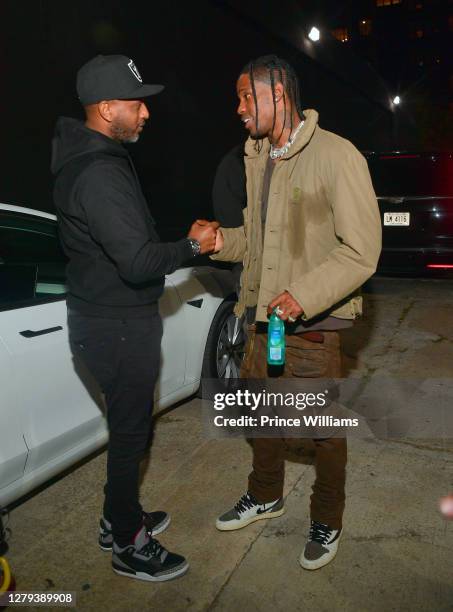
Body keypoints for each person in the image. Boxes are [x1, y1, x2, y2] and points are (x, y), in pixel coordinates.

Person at [210, 54, 382, 570]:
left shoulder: (337, 155)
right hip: (263, 320)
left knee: (322, 431)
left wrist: (303, 296)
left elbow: (362, 251)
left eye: (246, 96)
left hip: (311, 326)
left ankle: (327, 518)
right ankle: (265, 494)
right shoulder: (258, 158)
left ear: (278, 95)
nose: (239, 108)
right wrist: (222, 241)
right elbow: (260, 245)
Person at [51, 54, 217, 582]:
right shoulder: (99, 171)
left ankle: (114, 517)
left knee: (128, 431)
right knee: (130, 437)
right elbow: (139, 261)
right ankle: (128, 543)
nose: (146, 114)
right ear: (105, 108)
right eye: (136, 104)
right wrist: (194, 245)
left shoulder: (89, 156)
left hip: (105, 320)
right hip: (117, 327)